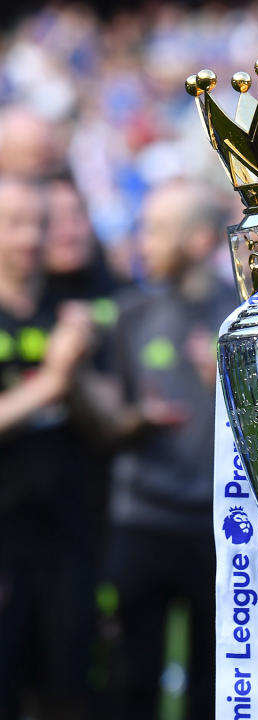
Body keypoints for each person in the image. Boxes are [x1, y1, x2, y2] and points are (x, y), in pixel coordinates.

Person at [97, 179, 237, 719]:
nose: (142, 243)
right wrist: (135, 420)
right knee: (130, 678)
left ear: (199, 241)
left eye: (155, 230)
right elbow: (108, 421)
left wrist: (225, 384)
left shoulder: (243, 318)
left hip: (219, 531)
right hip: (141, 522)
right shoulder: (130, 314)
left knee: (215, 684)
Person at [0, 176, 96, 719]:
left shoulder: (70, 310)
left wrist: (76, 373)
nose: (29, 238)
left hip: (67, 541)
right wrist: (53, 380)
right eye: (14, 224)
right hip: (5, 542)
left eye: (38, 224)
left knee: (68, 694)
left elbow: (110, 426)